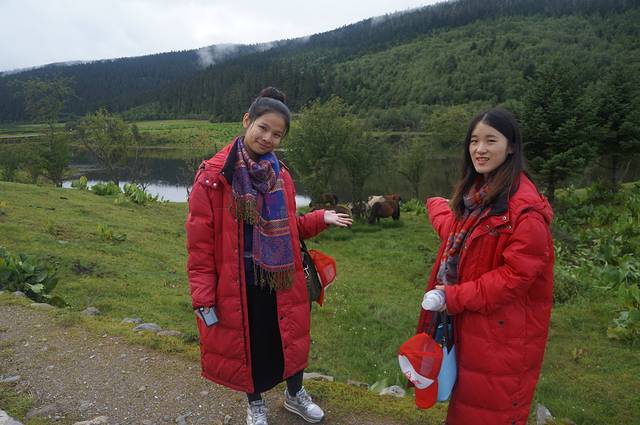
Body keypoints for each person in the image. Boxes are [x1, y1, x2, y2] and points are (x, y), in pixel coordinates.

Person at [186, 87, 352, 425]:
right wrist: (203, 296)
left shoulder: (281, 174)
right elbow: (200, 247)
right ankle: (256, 404)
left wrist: (320, 218)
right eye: (263, 127)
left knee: (290, 339)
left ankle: (294, 394)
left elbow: (288, 229)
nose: (268, 138)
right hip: (241, 283)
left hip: (282, 276)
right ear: (247, 121)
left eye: (277, 134)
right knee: (252, 344)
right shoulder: (214, 177)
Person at [416, 108, 554, 425]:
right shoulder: (480, 196)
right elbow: (459, 234)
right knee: (467, 409)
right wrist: (436, 205)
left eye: (491, 140)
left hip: (503, 338)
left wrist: (453, 296)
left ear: (511, 146)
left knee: (489, 414)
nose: (480, 149)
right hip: (477, 329)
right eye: (474, 141)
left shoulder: (524, 213)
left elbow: (515, 277)